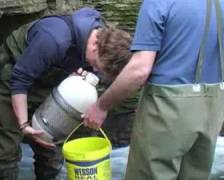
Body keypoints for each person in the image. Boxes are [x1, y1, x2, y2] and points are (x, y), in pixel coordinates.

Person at [83, 0, 224, 179]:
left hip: (167, 110)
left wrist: (101, 106)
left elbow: (139, 70)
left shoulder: (159, 3)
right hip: (212, 110)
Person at [0, 7, 132, 180]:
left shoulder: (104, 39)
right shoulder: (54, 39)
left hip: (49, 78)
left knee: (51, 153)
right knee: (6, 152)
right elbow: (19, 81)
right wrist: (24, 125)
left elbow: (101, 72)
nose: (94, 70)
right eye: (95, 65)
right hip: (12, 74)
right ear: (94, 45)